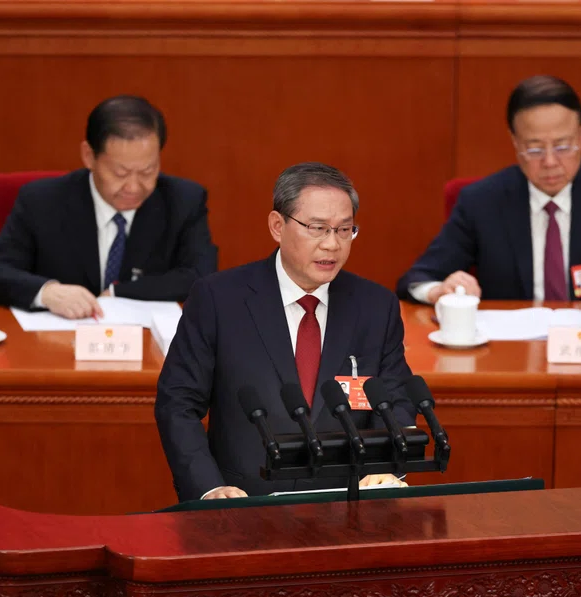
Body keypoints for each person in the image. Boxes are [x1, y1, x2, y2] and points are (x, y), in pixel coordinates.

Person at [155, 162, 412, 500]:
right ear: (278, 226)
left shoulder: (376, 307)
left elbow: (397, 401)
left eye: (344, 230)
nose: (332, 245)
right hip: (242, 509)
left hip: (346, 510)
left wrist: (385, 466)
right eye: (318, 228)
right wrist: (210, 487)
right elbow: (178, 403)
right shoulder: (219, 299)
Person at [396, 75, 581, 316]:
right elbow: (415, 279)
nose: (550, 162)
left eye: (562, 146)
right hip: (509, 355)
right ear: (515, 143)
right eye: (535, 148)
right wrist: (438, 290)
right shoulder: (482, 201)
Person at [0, 95, 217, 317]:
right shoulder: (42, 201)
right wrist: (47, 293)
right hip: (55, 350)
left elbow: (201, 276)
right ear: (89, 156)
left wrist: (118, 293)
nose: (133, 187)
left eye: (147, 171)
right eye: (120, 173)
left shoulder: (183, 200)